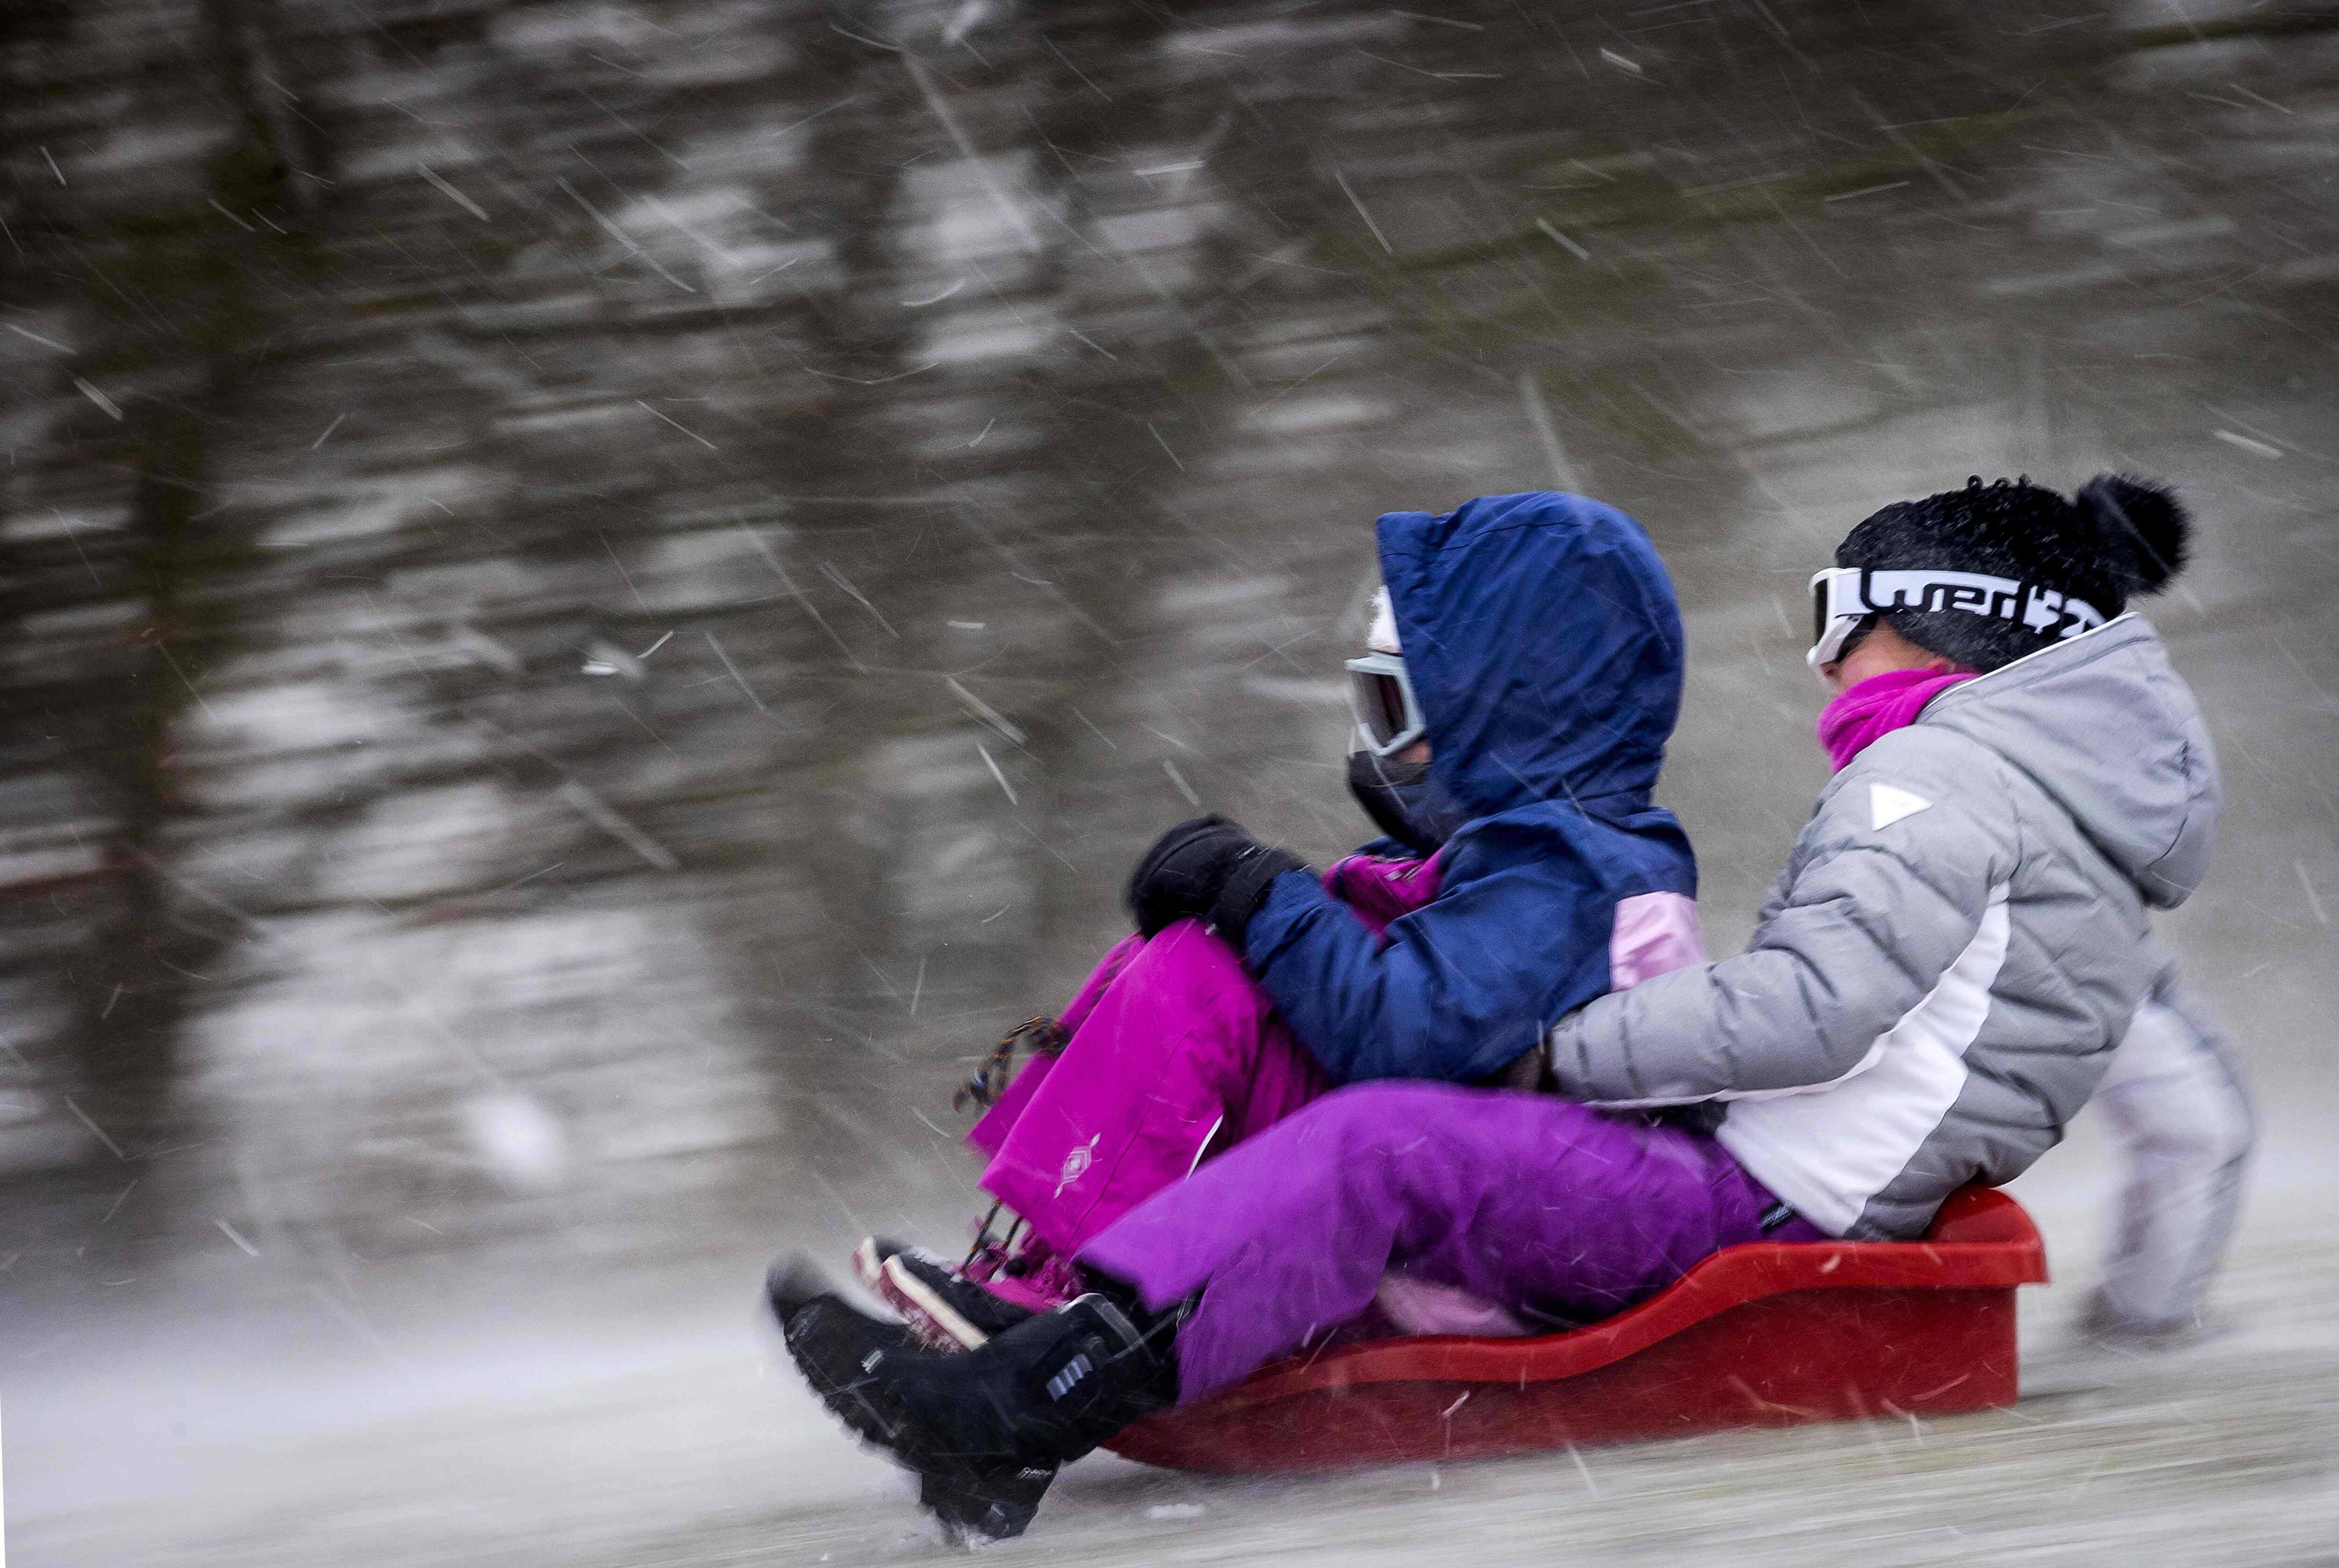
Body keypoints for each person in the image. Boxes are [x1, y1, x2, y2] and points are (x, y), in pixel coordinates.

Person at [767, 473, 2230, 1542]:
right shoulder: (2078, 834)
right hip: (1792, 1194)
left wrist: (1561, 1058)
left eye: (1841, 617)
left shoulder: (1935, 779)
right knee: (1392, 1134)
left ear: (1954, 625)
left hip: (1751, 1203)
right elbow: (2194, 1117)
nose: (1821, 658)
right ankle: (1036, 1358)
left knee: (1389, 1146)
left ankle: (1027, 1404)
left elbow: (1814, 1012)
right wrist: (2146, 1328)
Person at [857, 490, 1706, 1349]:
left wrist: (1258, 892)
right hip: (1421, 1178)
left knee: (1199, 983)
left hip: (1478, 1220)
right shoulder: (1519, 856)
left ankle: (1078, 1299)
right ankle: (1039, 1268)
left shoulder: (1579, 870)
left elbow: (1410, 1037)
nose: (1376, 744)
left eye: (1395, 710)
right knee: (1192, 961)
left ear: (1502, 710)